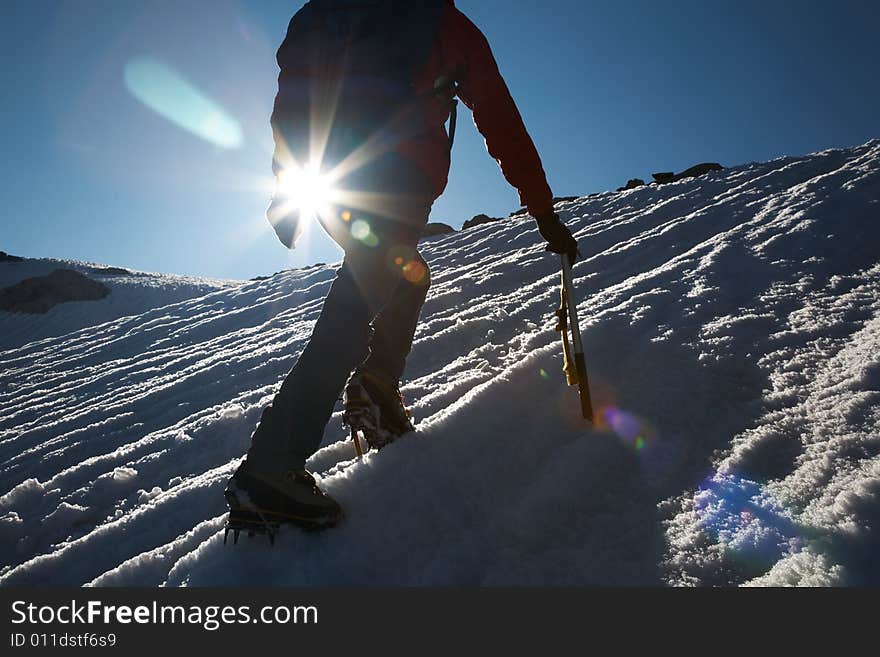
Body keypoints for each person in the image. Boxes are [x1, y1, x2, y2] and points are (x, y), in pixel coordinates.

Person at [224, 0, 578, 533]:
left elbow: (292, 98)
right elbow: (500, 121)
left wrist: (286, 187)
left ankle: (376, 389)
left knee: (405, 277)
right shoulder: (445, 24)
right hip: (398, 185)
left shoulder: (324, 13)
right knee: (359, 302)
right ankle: (271, 468)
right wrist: (543, 212)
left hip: (333, 184)